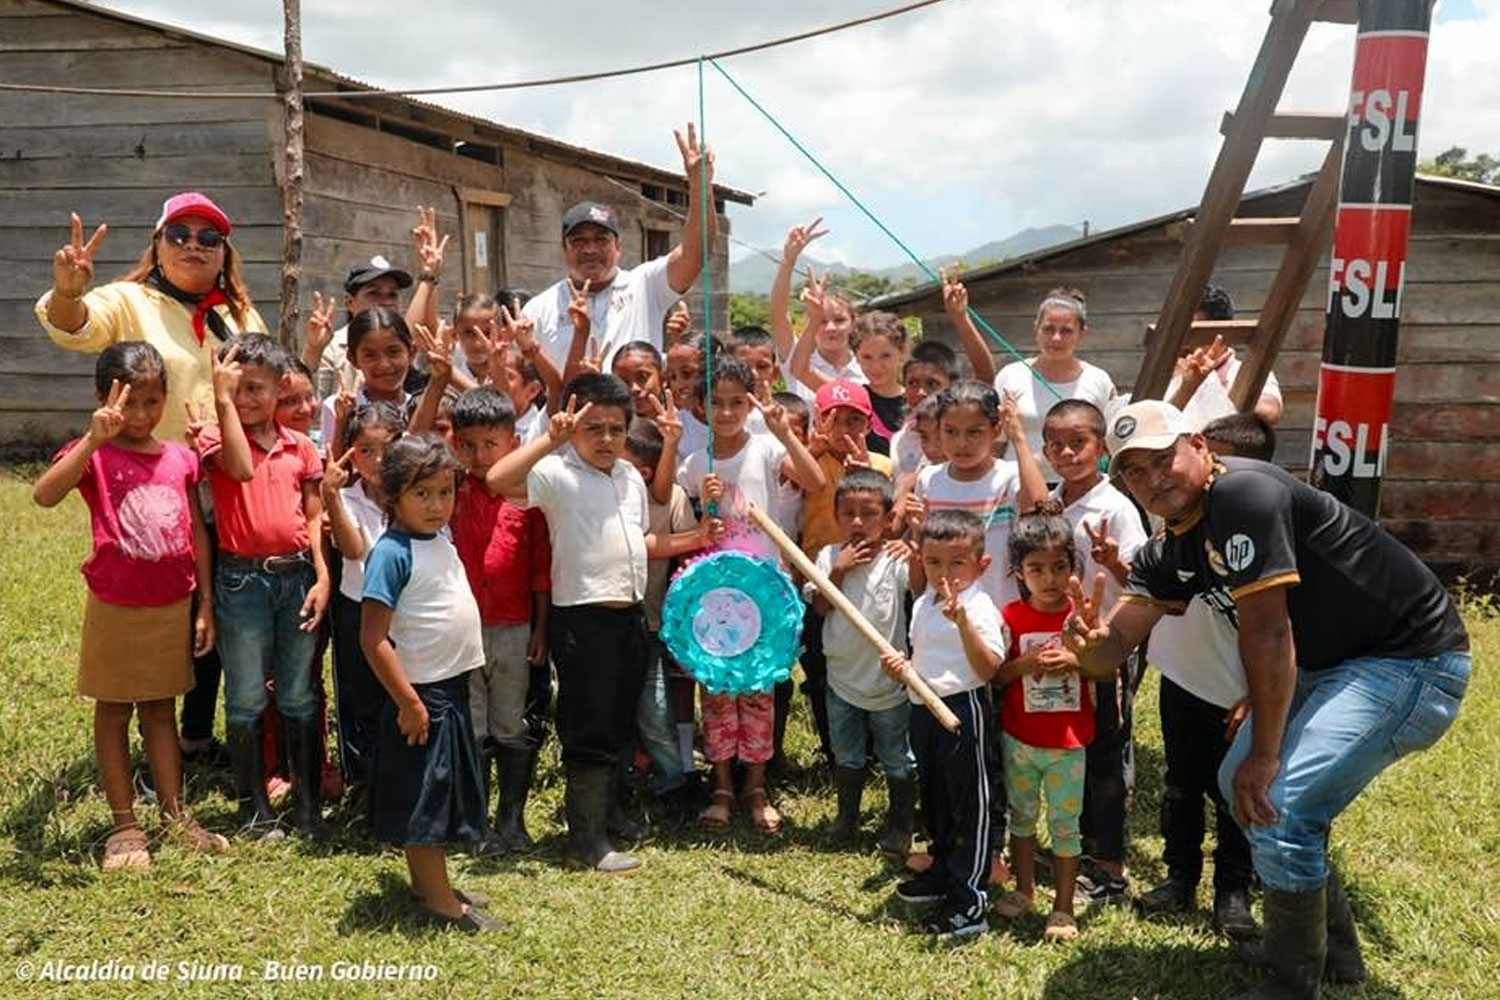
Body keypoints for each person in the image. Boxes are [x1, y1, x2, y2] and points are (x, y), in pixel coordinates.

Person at [1065, 399, 1470, 1000]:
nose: (1152, 479)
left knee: (1276, 804)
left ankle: (1290, 983)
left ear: (1199, 445)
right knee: (1242, 789)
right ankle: (1335, 957)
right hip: (1333, 667)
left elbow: (1269, 631)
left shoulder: (1243, 493)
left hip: (1412, 662)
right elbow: (1115, 647)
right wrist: (1089, 646)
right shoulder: (1173, 544)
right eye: (1134, 471)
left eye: (1162, 459)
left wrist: (1266, 751)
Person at [38, 193, 268, 766]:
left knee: (218, 604)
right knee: (170, 606)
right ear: (158, 245)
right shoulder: (129, 301)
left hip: (232, 482)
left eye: (208, 238)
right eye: (180, 234)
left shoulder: (239, 314)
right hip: (156, 487)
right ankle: (155, 730)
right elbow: (75, 328)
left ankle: (195, 735)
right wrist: (70, 291)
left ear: (224, 252)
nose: (194, 245)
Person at [485, 373, 721, 873]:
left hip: (630, 617)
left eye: (616, 428)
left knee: (617, 724)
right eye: (594, 428)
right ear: (573, 427)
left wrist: (696, 537)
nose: (607, 438)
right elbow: (498, 481)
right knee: (588, 727)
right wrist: (549, 438)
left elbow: (641, 543)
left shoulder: (630, 478)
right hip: (582, 621)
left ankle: (611, 816)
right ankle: (585, 841)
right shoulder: (556, 473)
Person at [32, 342, 230, 869]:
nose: (141, 416)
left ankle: (173, 814)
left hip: (172, 604)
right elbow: (45, 495)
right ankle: (125, 827)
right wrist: (92, 440)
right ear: (103, 398)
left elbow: (197, 536)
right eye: (129, 403)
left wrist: (205, 603)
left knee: (161, 710)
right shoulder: (95, 454)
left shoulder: (180, 459)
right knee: (115, 712)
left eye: (152, 402)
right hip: (117, 605)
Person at [359, 434, 504, 933]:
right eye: (422, 494)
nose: (436, 505)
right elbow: (373, 639)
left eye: (444, 492)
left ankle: (430, 884)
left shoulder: (439, 539)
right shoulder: (392, 553)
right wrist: (408, 702)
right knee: (425, 803)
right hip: (423, 699)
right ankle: (442, 904)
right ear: (392, 496)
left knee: (440, 797)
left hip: (452, 691)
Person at [1133, 410, 1268, 940]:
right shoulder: (1170, 510)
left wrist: (1259, 692)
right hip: (1184, 677)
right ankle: (1179, 876)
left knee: (1237, 790)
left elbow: (1288, 631)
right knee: (1181, 784)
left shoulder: (1265, 525)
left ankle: (1232, 891)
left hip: (1242, 686)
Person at [680, 357, 826, 832]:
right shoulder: (695, 459)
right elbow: (684, 518)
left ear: (752, 402)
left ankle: (757, 785)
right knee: (718, 690)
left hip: (764, 592)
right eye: (717, 403)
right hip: (716, 595)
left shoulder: (765, 448)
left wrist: (786, 434)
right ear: (700, 405)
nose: (726, 413)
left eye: (737, 403)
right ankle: (721, 784)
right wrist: (706, 504)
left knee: (760, 691)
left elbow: (815, 481)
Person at [196, 334, 330, 840]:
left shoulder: (302, 448)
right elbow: (241, 467)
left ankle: (308, 805)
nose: (247, 398)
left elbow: (314, 516)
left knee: (299, 695)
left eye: (257, 388)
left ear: (283, 389)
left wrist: (322, 575)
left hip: (296, 577)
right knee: (247, 696)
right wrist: (224, 403)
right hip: (241, 582)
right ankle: (253, 808)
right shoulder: (215, 439)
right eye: (236, 387)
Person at [1042, 399, 1150, 906]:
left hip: (1111, 646)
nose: (1066, 452)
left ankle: (1110, 868)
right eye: (1056, 443)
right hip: (1065, 647)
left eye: (1078, 442)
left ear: (1102, 449)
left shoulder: (1118, 509)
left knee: (1107, 748)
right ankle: (1079, 850)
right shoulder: (1050, 502)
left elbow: (1147, 586)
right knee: (1074, 746)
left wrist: (1112, 562)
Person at [881, 510, 1007, 941]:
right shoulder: (922, 604)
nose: (944, 573)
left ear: (981, 564)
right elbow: (927, 659)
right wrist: (904, 669)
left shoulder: (979, 607)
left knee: (968, 804)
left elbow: (989, 668)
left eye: (956, 563)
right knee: (935, 800)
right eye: (933, 563)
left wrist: (964, 624)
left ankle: (970, 900)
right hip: (924, 710)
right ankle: (942, 871)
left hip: (962, 711)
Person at [448, 388, 552, 855]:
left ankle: (512, 819)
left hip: (513, 626)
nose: (479, 455)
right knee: (471, 726)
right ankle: (474, 823)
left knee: (510, 722)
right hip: (462, 629)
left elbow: (540, 569)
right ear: (454, 443)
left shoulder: (526, 497)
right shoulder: (448, 491)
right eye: (468, 444)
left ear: (513, 441)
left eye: (491, 444)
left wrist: (542, 628)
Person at [524, 125, 715, 370]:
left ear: (619, 247)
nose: (590, 250)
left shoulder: (645, 285)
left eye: (601, 240)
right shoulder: (539, 309)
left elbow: (695, 253)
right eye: (579, 241)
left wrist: (700, 187)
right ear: (564, 249)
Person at [991, 510, 1093, 942]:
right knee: (1022, 819)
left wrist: (1076, 658)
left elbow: (1106, 669)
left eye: (1059, 567)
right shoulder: (1010, 616)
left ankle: (1064, 907)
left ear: (1073, 566)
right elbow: (997, 676)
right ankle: (1025, 890)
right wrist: (1027, 663)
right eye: (1036, 568)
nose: (1049, 578)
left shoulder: (1082, 614)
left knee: (1067, 827)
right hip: (1020, 739)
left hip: (1069, 744)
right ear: (1019, 571)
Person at [785, 379, 895, 771]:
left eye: (855, 420)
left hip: (872, 580)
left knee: (871, 659)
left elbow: (893, 521)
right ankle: (836, 750)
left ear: (868, 425)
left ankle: (876, 747)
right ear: (819, 420)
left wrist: (866, 474)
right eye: (835, 420)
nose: (845, 430)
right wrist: (812, 447)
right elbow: (790, 476)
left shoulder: (881, 465)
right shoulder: (809, 462)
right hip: (821, 577)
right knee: (819, 665)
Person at [810, 468, 918, 855]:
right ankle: (846, 819)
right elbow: (821, 607)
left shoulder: (895, 559)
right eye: (848, 513)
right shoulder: (826, 557)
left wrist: (915, 547)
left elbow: (921, 588)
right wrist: (839, 569)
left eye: (869, 513)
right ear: (836, 516)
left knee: (896, 756)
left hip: (887, 682)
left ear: (889, 519)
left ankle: (901, 824)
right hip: (842, 678)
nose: (857, 522)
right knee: (847, 753)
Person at [320, 403, 404, 790]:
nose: (377, 460)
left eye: (386, 448)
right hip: (360, 607)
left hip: (406, 612)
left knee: (403, 690)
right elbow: (353, 550)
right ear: (351, 452)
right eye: (365, 451)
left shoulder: (413, 492)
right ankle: (368, 784)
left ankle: (403, 777)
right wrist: (333, 497)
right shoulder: (348, 496)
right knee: (362, 695)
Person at [905, 381, 1047, 609]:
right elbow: (921, 564)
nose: (962, 443)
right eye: (950, 431)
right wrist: (918, 530)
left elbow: (1041, 508)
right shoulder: (929, 479)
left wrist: (1018, 438)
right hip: (941, 617)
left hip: (999, 613)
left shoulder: (1010, 475)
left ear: (996, 430)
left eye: (974, 432)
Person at [624, 419, 699, 810]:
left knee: (655, 711)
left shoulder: (671, 500)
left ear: (644, 472)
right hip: (606, 624)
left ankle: (677, 783)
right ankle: (624, 782)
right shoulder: (601, 494)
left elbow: (689, 559)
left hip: (650, 624)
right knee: (617, 711)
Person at [303, 207, 450, 397]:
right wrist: (313, 351)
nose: (385, 302)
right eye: (374, 294)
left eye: (392, 295)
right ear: (349, 302)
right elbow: (311, 405)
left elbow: (416, 331)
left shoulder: (405, 340)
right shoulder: (331, 347)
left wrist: (430, 276)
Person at [993, 288, 1116, 481]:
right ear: (1036, 329)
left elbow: (1111, 443)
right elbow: (996, 443)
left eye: (1066, 331)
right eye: (1049, 329)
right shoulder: (1010, 376)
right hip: (1017, 486)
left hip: (1078, 488)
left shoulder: (1098, 380)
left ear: (1082, 334)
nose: (1056, 338)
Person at [791, 288, 910, 456]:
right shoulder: (856, 397)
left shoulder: (917, 399)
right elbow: (800, 370)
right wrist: (815, 320)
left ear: (902, 351)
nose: (876, 366)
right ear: (857, 357)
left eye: (885, 356)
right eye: (867, 357)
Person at [769, 219, 862, 404]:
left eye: (839, 320)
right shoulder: (797, 359)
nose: (830, 328)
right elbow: (778, 314)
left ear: (853, 323)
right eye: (821, 320)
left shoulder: (867, 367)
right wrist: (789, 261)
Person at [1166, 284, 1284, 428]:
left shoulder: (1244, 373)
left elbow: (1268, 412)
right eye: (1178, 333)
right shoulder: (1165, 375)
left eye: (1193, 335)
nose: (1183, 345)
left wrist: (1203, 383)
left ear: (1222, 333)